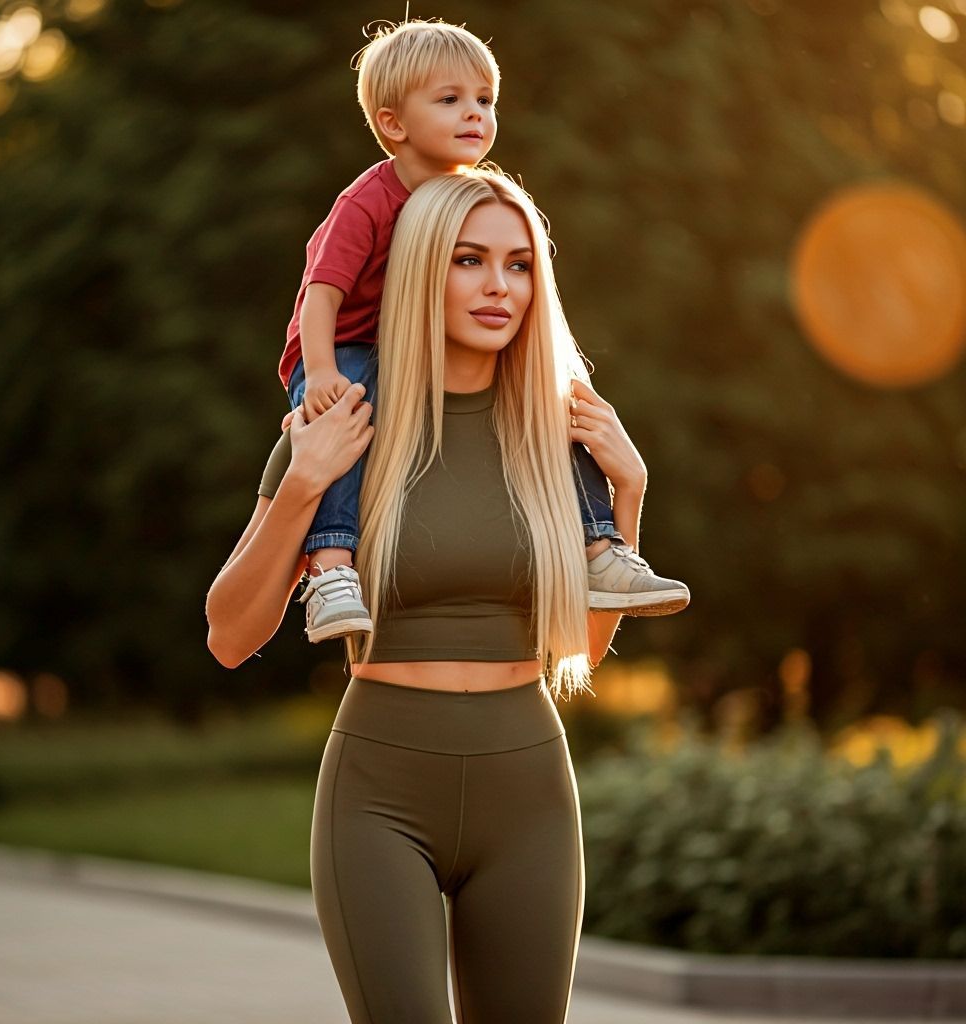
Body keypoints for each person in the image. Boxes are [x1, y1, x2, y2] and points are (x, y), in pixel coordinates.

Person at [207, 169, 656, 1023]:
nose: (499, 286)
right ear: (418, 270)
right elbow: (230, 633)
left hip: (528, 793)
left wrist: (627, 495)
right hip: (378, 793)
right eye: (469, 260)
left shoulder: (553, 435)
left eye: (519, 265)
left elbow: (580, 651)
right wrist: (304, 487)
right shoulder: (342, 423)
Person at [277, 19, 689, 645]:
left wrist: (628, 487)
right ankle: (332, 570)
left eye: (485, 100)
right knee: (351, 421)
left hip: (396, 345)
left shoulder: (466, 198)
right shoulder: (365, 203)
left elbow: (584, 651)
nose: (474, 114)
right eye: (450, 100)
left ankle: (599, 547)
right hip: (340, 346)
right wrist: (324, 375)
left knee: (560, 401)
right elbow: (321, 294)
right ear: (393, 124)